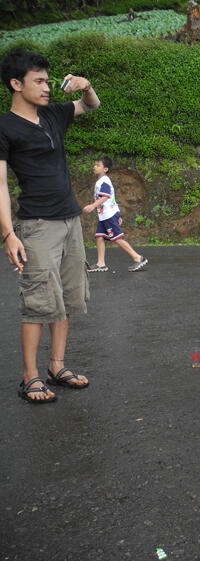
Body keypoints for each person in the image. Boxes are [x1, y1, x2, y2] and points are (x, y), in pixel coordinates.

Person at [0, 49, 100, 403]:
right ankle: (29, 376)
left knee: (68, 298)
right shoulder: (5, 127)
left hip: (70, 218)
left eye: (47, 80)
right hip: (36, 224)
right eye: (38, 81)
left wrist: (85, 86)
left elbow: (90, 105)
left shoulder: (53, 114)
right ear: (16, 84)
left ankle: (56, 366)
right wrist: (9, 233)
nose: (46, 87)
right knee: (39, 299)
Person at [82, 155, 148, 272]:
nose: (95, 167)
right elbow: (112, 198)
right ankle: (101, 263)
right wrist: (118, 214)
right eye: (95, 164)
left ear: (105, 169)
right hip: (105, 215)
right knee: (99, 236)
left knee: (117, 238)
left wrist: (92, 206)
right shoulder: (101, 181)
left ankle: (138, 258)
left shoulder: (104, 181)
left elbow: (106, 197)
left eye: (98, 165)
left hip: (108, 215)